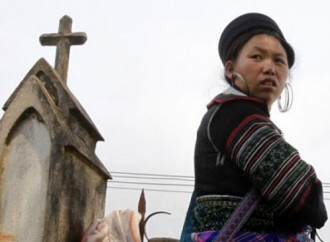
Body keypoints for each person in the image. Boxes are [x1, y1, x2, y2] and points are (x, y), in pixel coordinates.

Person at [180, 13, 327, 241]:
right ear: (230, 69)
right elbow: (301, 196)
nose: (269, 67)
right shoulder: (236, 114)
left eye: (279, 61)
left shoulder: (227, 115)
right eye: (257, 57)